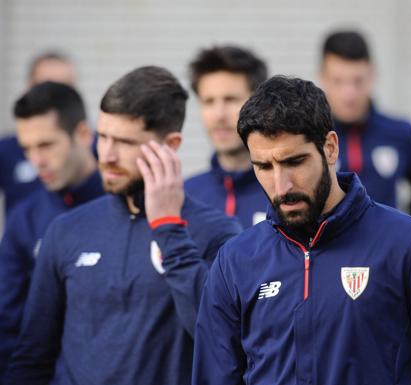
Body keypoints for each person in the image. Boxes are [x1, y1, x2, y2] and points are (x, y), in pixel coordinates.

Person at [192, 76, 411, 385]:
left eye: (295, 161)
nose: (281, 185)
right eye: (264, 167)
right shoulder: (235, 261)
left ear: (330, 148)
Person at [4, 66, 242, 385]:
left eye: (126, 142)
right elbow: (32, 356)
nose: (107, 155)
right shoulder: (66, 230)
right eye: (103, 137)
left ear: (170, 145)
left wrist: (168, 227)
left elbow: (221, 345)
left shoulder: (216, 233)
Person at [0, 82, 103, 379]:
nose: (36, 161)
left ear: (83, 135)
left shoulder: (126, 204)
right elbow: (8, 322)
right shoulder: (24, 218)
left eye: (45, 145)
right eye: (27, 149)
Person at [319, 30, 411, 223]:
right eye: (338, 81)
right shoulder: (311, 137)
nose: (349, 93)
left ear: (372, 76)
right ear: (322, 78)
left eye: (357, 81)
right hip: (328, 250)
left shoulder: (400, 132)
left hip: (387, 251)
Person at [185, 46, 269, 228]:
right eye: (208, 101)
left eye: (230, 99)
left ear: (259, 103)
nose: (219, 115)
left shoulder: (287, 194)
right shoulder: (184, 197)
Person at [0, 51, 77, 216]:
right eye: (27, 148)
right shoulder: (6, 150)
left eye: (66, 87)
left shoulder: (95, 149)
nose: (38, 160)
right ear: (30, 86)